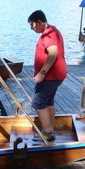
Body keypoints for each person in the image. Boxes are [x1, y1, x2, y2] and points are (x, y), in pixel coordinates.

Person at [27, 10, 67, 142]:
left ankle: (47, 132)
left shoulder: (49, 34)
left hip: (50, 75)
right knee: (48, 101)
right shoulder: (50, 31)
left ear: (40, 22)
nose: (32, 29)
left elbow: (52, 54)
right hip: (55, 75)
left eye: (32, 25)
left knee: (38, 103)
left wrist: (42, 73)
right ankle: (50, 128)